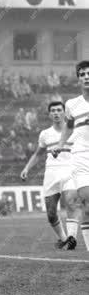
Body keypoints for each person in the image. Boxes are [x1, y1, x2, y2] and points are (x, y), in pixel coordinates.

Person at [20, 102, 78, 249]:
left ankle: (72, 238)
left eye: (59, 110)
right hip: (51, 173)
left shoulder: (74, 131)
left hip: (70, 170)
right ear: (49, 114)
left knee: (71, 202)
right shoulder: (45, 134)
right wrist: (27, 168)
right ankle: (64, 239)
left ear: (65, 113)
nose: (56, 113)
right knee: (51, 213)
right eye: (53, 111)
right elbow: (38, 154)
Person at [53, 60, 89, 250]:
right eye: (82, 74)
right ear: (78, 79)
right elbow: (68, 126)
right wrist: (60, 144)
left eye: (88, 73)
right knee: (86, 200)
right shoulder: (72, 104)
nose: (86, 77)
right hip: (81, 155)